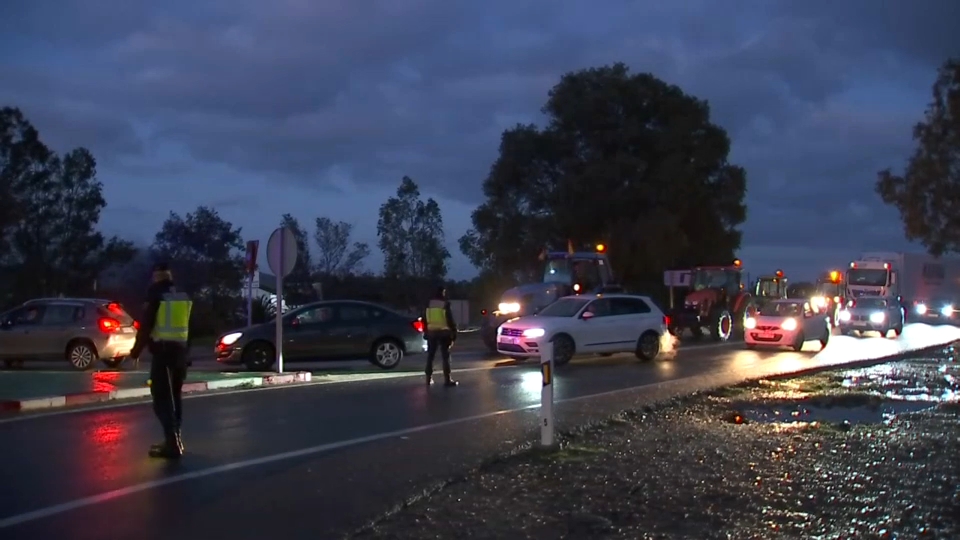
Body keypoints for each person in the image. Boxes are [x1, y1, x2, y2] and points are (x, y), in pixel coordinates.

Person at [130, 262, 193, 459]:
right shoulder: (183, 294)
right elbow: (192, 325)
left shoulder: (156, 294)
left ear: (156, 276)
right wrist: (187, 353)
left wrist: (136, 351)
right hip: (180, 352)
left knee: (161, 398)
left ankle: (172, 443)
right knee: (175, 396)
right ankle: (174, 438)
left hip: (163, 353)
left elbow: (146, 324)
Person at [423, 286, 458, 387]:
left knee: (430, 356)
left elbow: (424, 319)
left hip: (432, 332)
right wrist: (454, 331)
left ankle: (428, 379)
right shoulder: (445, 304)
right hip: (444, 332)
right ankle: (447, 380)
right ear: (442, 292)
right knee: (445, 356)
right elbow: (449, 319)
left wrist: (426, 331)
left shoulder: (428, 304)